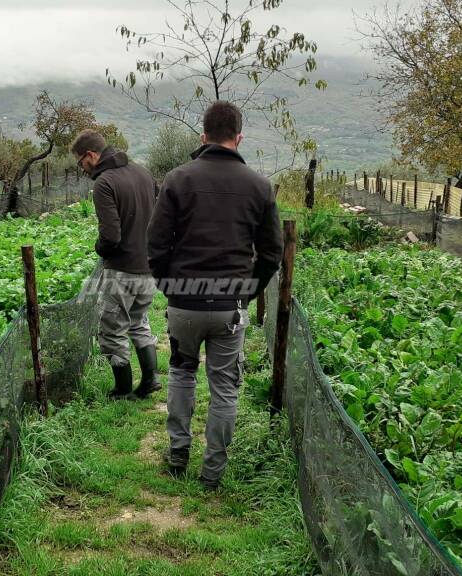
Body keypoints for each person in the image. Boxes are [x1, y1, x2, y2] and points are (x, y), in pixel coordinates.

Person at [147, 101, 283, 491]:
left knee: (181, 371)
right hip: (229, 307)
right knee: (225, 387)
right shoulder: (259, 186)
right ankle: (212, 474)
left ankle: (176, 456)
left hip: (184, 302)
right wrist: (246, 293)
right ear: (239, 138)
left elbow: (155, 245)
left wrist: (170, 286)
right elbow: (271, 254)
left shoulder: (177, 179)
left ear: (203, 136)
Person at [71, 129, 160, 400]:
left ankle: (122, 391)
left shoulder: (104, 183)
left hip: (121, 270)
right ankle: (150, 380)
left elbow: (110, 236)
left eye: (80, 162)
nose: (82, 169)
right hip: (148, 268)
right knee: (139, 323)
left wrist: (99, 248)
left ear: (91, 155)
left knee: (111, 332)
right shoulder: (143, 173)